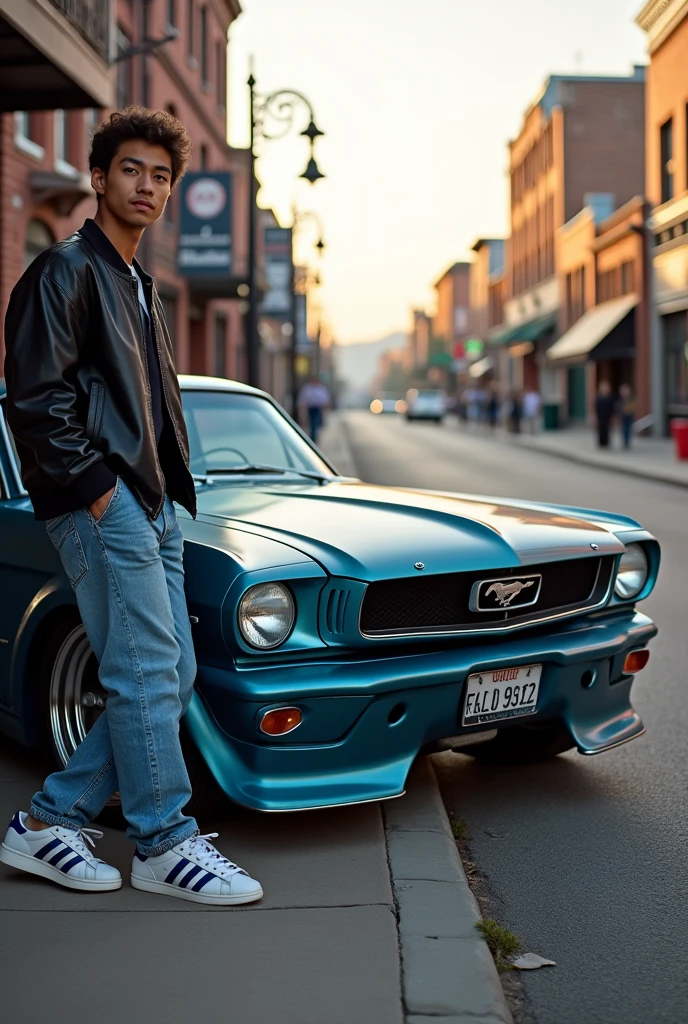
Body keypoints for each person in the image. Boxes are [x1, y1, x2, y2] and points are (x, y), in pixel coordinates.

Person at [1, 107, 262, 906]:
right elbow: (35, 396)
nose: (146, 186)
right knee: (145, 669)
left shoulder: (139, 283)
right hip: (100, 503)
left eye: (161, 175)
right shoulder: (66, 270)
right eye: (131, 170)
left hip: (151, 505)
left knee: (170, 670)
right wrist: (99, 492)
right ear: (99, 177)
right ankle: (163, 841)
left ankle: (48, 824)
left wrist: (160, 494)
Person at [298, 376, 331, 442]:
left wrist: (326, 408)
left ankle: (314, 436)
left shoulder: (321, 388)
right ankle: (312, 436)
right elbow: (303, 398)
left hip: (318, 408)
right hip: (310, 408)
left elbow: (325, 399)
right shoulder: (307, 388)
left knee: (316, 423)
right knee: (311, 423)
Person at [595, 380, 616, 449]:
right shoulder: (598, 397)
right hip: (600, 416)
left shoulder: (610, 397)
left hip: (608, 416)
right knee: (601, 430)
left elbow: (612, 408)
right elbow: (596, 407)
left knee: (607, 430)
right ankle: (601, 443)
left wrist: (613, 417)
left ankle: (606, 443)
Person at [618, 383, 636, 449]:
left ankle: (627, 442)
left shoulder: (631, 398)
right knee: (623, 430)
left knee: (628, 429)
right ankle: (625, 442)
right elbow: (618, 407)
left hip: (629, 417)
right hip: (623, 416)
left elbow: (633, 407)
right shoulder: (621, 399)